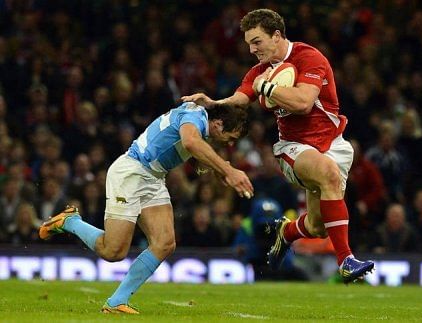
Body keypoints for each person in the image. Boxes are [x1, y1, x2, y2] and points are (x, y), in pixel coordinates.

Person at [182, 8, 374, 283]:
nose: (251, 49)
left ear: (276, 35)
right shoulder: (259, 71)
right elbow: (239, 99)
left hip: (332, 143)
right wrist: (213, 103)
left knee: (317, 226)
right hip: (292, 147)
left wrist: (267, 88)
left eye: (256, 41)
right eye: (249, 43)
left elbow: (303, 103)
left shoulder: (309, 58)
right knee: (328, 173)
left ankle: (287, 232)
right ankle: (346, 260)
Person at [38, 102, 253, 314]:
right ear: (218, 123)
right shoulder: (195, 118)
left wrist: (216, 169)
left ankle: (116, 302)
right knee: (113, 251)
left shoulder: (198, 119)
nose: (231, 144)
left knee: (165, 243)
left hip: (153, 178)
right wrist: (227, 168)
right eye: (232, 137)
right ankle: (70, 222)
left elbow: (185, 148)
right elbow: (190, 143)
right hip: (132, 173)